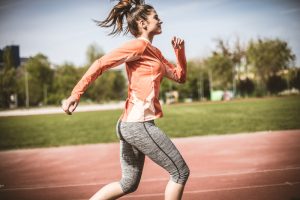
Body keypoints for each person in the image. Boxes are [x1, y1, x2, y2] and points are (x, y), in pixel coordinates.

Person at [62, 0, 190, 199]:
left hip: (131, 124)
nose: (160, 20)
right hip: (138, 125)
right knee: (180, 172)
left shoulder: (155, 53)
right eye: (155, 17)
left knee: (128, 183)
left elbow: (179, 77)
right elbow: (101, 63)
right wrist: (75, 94)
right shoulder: (138, 46)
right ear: (142, 23)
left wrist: (179, 53)